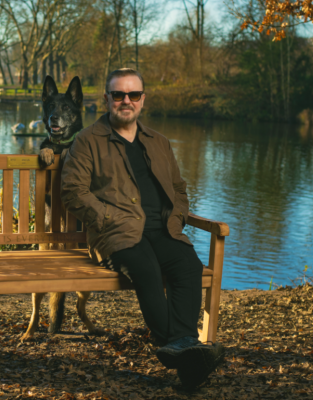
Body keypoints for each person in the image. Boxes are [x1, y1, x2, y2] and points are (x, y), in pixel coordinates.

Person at [60, 68, 224, 389]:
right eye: (118, 95)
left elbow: (179, 190)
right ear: (107, 99)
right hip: (116, 233)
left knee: (188, 265)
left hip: (163, 230)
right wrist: (107, 217)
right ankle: (186, 348)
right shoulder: (87, 141)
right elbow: (73, 192)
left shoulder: (159, 142)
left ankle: (182, 351)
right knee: (147, 269)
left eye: (133, 95)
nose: (126, 101)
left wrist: (175, 222)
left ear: (142, 100)